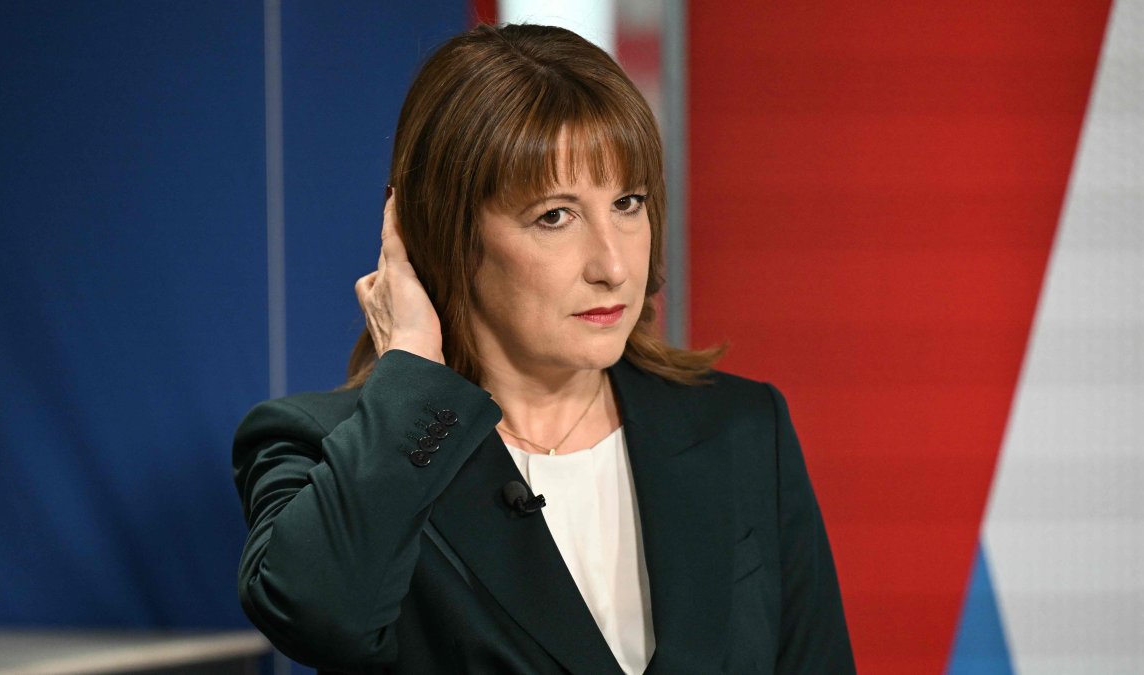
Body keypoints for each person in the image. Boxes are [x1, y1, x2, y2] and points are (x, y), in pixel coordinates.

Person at [233, 23, 854, 674]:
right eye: (555, 215)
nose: (613, 264)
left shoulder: (743, 429)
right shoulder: (326, 449)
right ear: (443, 231)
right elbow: (319, 616)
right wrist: (412, 364)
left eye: (628, 202)